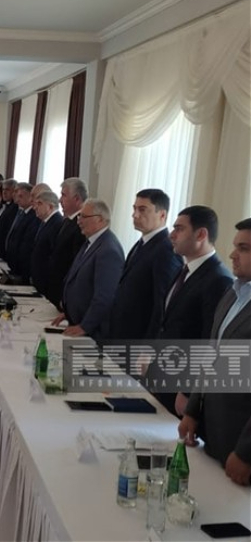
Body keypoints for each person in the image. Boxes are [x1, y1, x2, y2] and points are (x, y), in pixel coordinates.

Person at [179, 218, 251, 486]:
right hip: (212, 434)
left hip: (240, 446)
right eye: (235, 246)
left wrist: (245, 452)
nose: (232, 255)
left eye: (243, 248)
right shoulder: (233, 293)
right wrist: (192, 410)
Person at [143, 205, 233, 416]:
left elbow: (208, 341)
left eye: (179, 229)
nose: (172, 235)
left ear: (201, 234)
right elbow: (167, 323)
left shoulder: (218, 279)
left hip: (181, 388)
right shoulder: (185, 269)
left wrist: (188, 392)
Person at [109, 189, 183, 341]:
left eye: (142, 210)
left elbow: (162, 305)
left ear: (162, 215)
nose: (135, 215)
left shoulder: (167, 250)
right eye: (134, 209)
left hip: (139, 339)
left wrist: (149, 347)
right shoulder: (141, 243)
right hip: (122, 333)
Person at [52, 198, 124, 341]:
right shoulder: (90, 241)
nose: (79, 221)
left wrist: (85, 327)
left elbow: (104, 297)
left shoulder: (108, 250)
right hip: (77, 321)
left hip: (93, 332)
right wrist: (68, 312)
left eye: (84, 217)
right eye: (79, 216)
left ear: (100, 219)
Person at [46, 177, 88, 308]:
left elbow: (75, 264)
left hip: (65, 292)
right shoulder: (68, 221)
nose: (60, 200)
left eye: (64, 195)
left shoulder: (81, 225)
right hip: (55, 288)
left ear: (77, 199)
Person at [30, 190, 64, 297]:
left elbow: (53, 255)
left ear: (50, 206)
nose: (35, 207)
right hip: (39, 279)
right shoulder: (45, 222)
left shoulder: (57, 223)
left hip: (47, 281)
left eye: (39, 204)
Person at [4, 182, 39, 279]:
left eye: (21, 196)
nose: (17, 199)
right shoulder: (22, 213)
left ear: (30, 197)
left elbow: (26, 244)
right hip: (13, 263)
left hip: (23, 267)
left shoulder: (34, 216)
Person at [0, 178, 18, 258]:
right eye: (3, 190)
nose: (4, 192)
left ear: (14, 192)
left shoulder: (15, 209)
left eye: (7, 190)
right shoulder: (3, 206)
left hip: (4, 251)